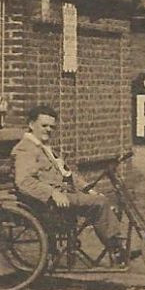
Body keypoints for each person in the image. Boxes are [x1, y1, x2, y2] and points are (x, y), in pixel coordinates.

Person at [12, 105, 128, 257]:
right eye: (44, 125)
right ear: (31, 125)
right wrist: (52, 193)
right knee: (100, 204)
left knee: (100, 199)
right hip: (47, 202)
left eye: (52, 127)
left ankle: (114, 244)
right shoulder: (26, 149)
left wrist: (88, 189)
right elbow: (24, 181)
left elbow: (67, 173)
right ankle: (117, 249)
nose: (48, 130)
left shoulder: (43, 147)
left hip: (63, 194)